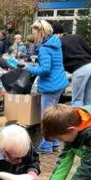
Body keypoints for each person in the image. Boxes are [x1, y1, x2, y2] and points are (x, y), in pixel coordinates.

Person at [24, 20, 68, 154]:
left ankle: (46, 145)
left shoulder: (43, 49)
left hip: (50, 85)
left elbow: (45, 70)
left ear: (40, 32)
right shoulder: (55, 43)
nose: (33, 35)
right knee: (53, 115)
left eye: (34, 32)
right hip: (59, 82)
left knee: (46, 117)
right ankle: (54, 142)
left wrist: (28, 68)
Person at [53, 23, 91, 107]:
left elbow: (59, 61)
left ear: (55, 34)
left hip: (80, 68)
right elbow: (90, 50)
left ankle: (78, 120)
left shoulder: (58, 42)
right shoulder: (76, 37)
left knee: (77, 99)